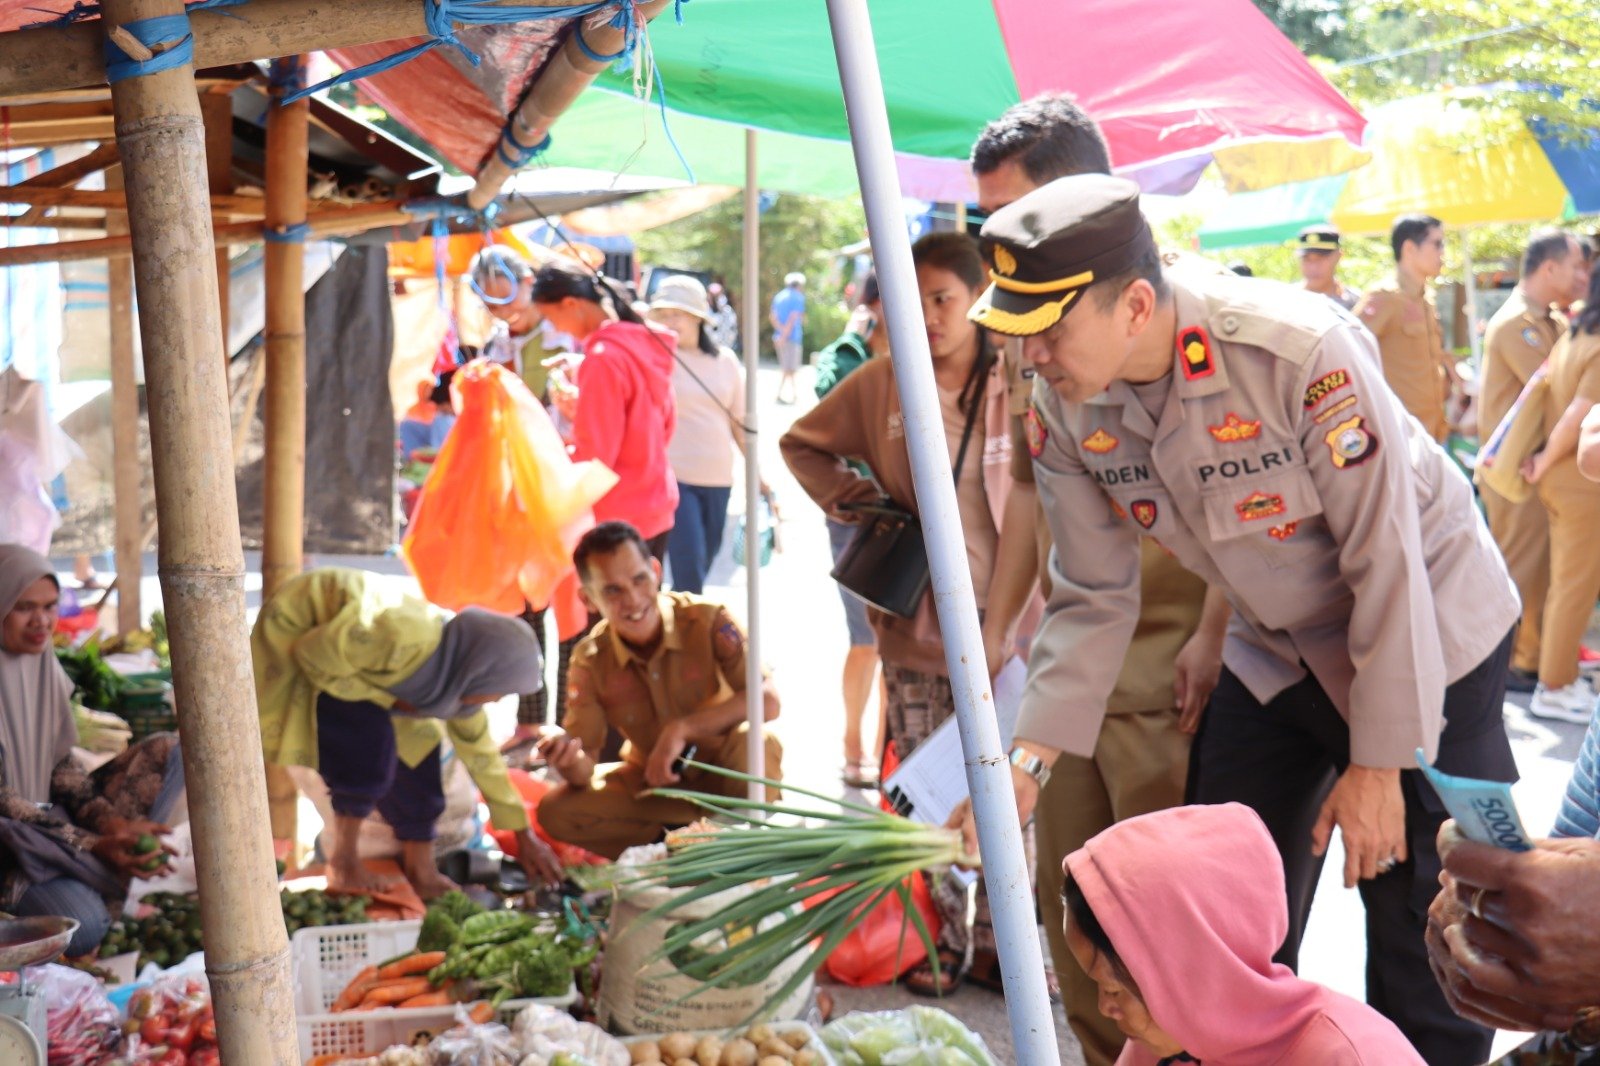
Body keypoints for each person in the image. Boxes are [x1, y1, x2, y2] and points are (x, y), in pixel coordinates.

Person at [955, 174, 1520, 1065]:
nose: (1033, 356)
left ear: (1135, 306)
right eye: (1020, 333)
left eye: (1050, 331)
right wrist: (1025, 764)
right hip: (1278, 650)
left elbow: (1387, 562)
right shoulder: (1062, 405)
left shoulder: (1299, 351)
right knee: (1205, 897)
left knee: (1430, 918)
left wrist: (1377, 762)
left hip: (1430, 639)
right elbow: (1092, 594)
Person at [969, 93, 1217, 1058]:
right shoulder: (1033, 337)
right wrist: (999, 630)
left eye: (1011, 213)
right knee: (1071, 915)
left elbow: (1261, 515)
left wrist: (1216, 630)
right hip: (1075, 670)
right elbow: (1031, 495)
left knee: (1157, 940)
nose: (998, 244)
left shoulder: (1180, 311)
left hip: (1170, 672)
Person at [783, 231, 1018, 994]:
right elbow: (801, 444)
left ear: (980, 298)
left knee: (1013, 793)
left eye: (943, 299)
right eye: (909, 303)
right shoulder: (881, 383)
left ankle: (1006, 945)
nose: (928, 318)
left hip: (1015, 630)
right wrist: (860, 503)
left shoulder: (1021, 374)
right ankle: (943, 943)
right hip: (918, 629)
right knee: (928, 791)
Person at [253, 567, 562, 899]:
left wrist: (524, 834)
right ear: (480, 670)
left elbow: (483, 757)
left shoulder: (452, 679)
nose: (497, 699)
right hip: (293, 641)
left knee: (421, 751)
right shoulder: (403, 637)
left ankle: (421, 869)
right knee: (371, 748)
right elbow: (312, 653)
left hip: (348, 670)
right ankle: (344, 861)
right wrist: (388, 700)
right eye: (499, 689)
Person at [1065, 803, 1425, 1066]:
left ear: (1192, 971)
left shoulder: (1353, 1056)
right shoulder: (1163, 1041)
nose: (1104, 1008)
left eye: (1113, 989)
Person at [535, 522, 782, 859]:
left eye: (639, 579)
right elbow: (585, 767)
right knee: (556, 810)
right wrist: (566, 759)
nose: (633, 600)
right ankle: (676, 850)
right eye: (613, 591)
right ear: (588, 599)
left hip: (729, 777)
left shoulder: (708, 620)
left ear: (655, 571)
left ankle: (726, 841)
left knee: (758, 742)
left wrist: (682, 729)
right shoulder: (590, 660)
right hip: (655, 789)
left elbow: (768, 700)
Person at [0, 544, 184, 956]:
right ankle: (83, 878)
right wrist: (93, 843)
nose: (41, 621)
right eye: (24, 607)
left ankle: (104, 870)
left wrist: (114, 826)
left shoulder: (40, 666)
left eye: (49, 606)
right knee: (83, 927)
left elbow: (62, 771)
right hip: (9, 846)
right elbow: (8, 805)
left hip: (45, 822)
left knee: (167, 752)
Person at [1478, 231, 1588, 696]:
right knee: (1521, 567)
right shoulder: (1516, 324)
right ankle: (1513, 663)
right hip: (1515, 470)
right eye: (1576, 266)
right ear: (1550, 268)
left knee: (1541, 568)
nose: (1582, 276)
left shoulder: (1549, 320)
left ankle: (1533, 656)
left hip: (1537, 465)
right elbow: (1559, 390)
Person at [531, 259, 679, 562]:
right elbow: (664, 425)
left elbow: (596, 458)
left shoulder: (603, 358)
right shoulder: (642, 344)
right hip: (655, 500)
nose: (554, 327)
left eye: (550, 316)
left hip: (616, 515)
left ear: (571, 304)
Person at [812, 271, 889, 788]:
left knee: (899, 648)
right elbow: (826, 410)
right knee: (866, 639)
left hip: (907, 517)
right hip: (858, 519)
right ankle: (853, 747)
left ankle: (886, 755)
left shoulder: (927, 356)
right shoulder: (844, 358)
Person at [648, 274, 770, 596]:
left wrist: (757, 475)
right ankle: (686, 625)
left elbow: (740, 423)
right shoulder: (654, 358)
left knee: (703, 562)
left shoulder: (725, 361)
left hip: (718, 479)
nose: (670, 322)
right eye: (664, 314)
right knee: (689, 571)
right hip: (674, 478)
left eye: (678, 314)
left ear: (698, 318)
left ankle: (677, 618)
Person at [1521, 264, 1600, 723]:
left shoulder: (1575, 333)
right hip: (1579, 483)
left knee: (1568, 584)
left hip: (1565, 481)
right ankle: (1553, 687)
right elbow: (1577, 415)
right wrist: (1545, 461)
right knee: (1574, 587)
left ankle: (1561, 675)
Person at [1354, 214, 1457, 442]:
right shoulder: (1385, 297)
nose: (1443, 252)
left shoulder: (1426, 297)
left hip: (1432, 430)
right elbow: (1349, 351)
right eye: (1437, 244)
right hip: (1400, 435)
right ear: (1410, 248)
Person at [1296, 226, 1361, 311]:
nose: (1313, 267)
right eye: (1306, 259)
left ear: (1338, 256)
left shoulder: (1356, 303)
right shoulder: (1286, 301)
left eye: (1321, 258)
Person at [770, 271, 807, 405]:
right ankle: (781, 394)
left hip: (779, 336)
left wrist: (780, 332)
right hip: (791, 338)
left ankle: (793, 394)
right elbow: (793, 318)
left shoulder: (779, 296)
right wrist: (784, 336)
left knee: (786, 367)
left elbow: (773, 317)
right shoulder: (798, 297)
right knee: (789, 368)